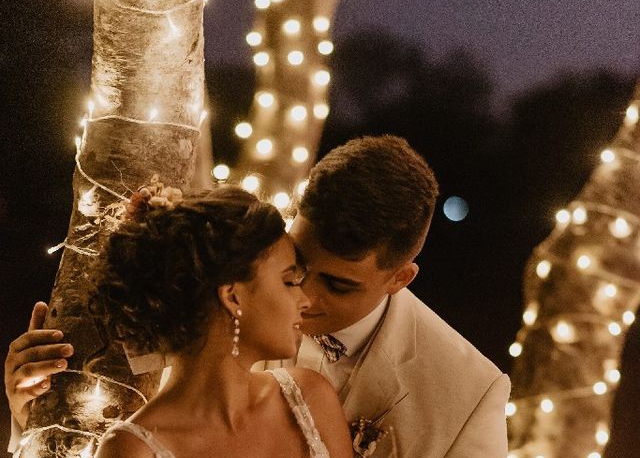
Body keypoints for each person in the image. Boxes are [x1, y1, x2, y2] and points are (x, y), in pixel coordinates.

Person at [6, 135, 510, 457]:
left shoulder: (470, 392)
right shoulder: (215, 313)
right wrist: (39, 413)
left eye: (337, 284)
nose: (305, 298)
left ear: (400, 278)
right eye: (296, 270)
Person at [7, 186, 353, 458]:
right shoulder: (131, 451)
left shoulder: (310, 398)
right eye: (289, 281)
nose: (305, 299)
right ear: (233, 297)